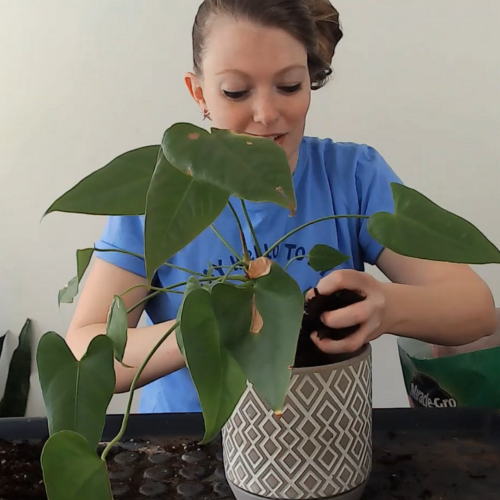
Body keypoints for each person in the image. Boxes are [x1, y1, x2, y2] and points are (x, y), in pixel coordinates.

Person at [65, 0, 497, 413]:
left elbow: (473, 309)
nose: (267, 113)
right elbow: (85, 350)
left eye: (289, 85)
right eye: (235, 91)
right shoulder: (161, 193)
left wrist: (388, 307)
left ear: (310, 81)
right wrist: (203, 329)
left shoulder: (351, 176)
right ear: (198, 93)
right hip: (184, 446)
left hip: (326, 439)